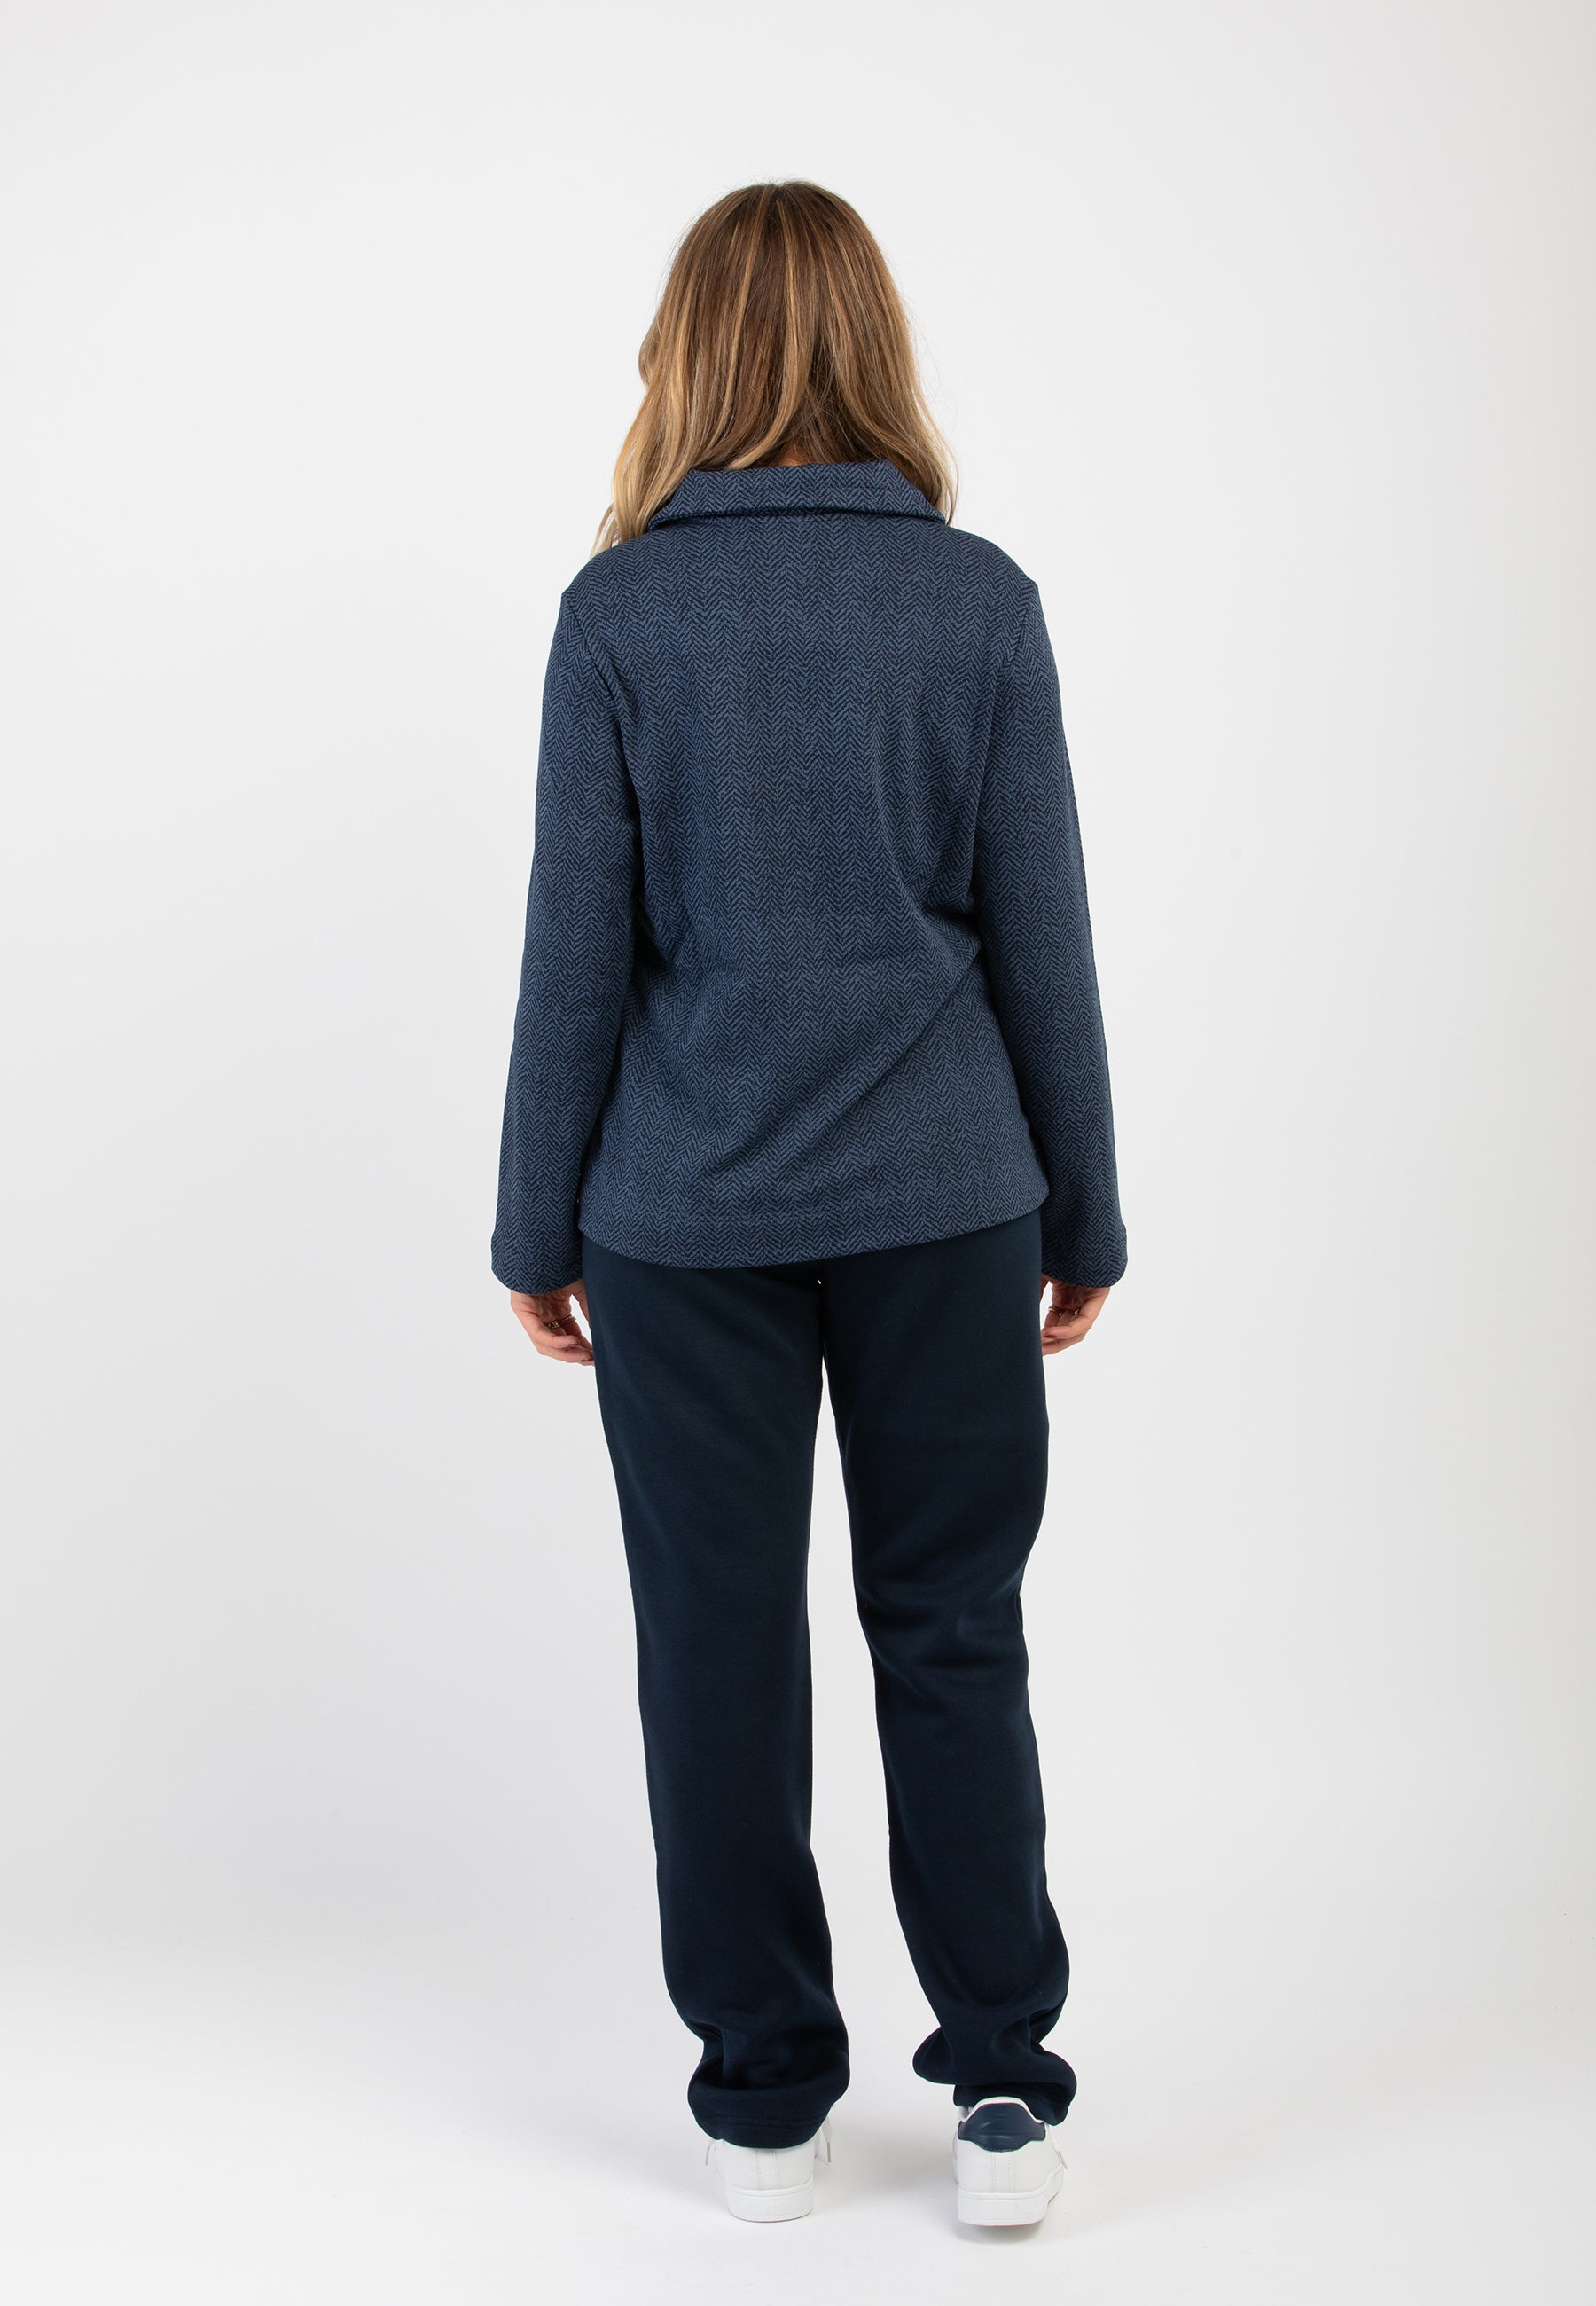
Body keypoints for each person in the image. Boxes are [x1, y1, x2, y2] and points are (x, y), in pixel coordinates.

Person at [491, 180, 1128, 2229]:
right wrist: (1086, 1212)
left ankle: (765, 2100)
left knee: (715, 1646)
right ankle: (1005, 2090)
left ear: (688, 351)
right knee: (953, 1630)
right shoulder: (977, 603)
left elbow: (576, 965)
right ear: (875, 344)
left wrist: (534, 1229)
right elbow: (1043, 941)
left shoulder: (620, 616)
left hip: (683, 1216)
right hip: (951, 1198)